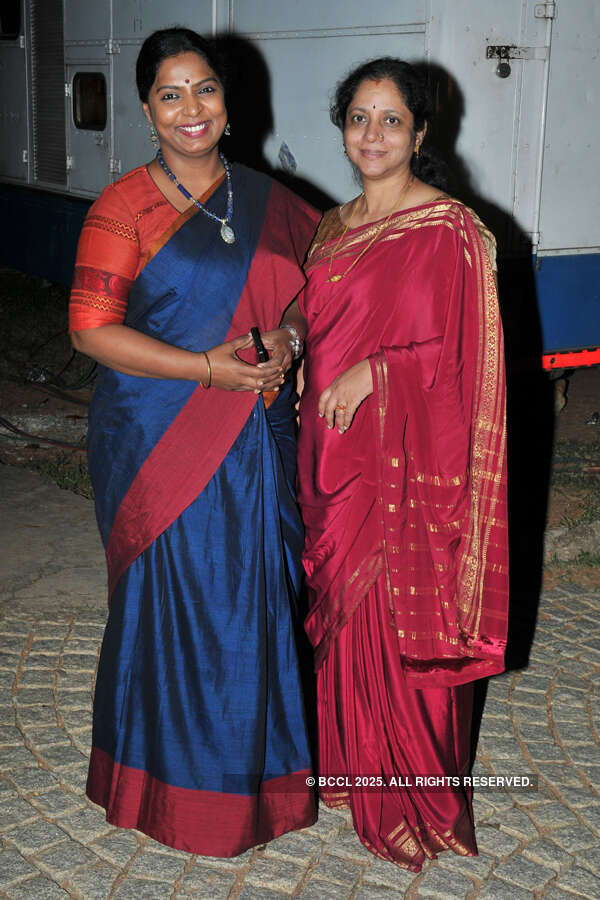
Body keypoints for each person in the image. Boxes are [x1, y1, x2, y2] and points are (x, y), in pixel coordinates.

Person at [69, 27, 320, 857]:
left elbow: (310, 289)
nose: (190, 108)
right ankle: (165, 790)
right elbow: (90, 330)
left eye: (203, 88)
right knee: (173, 606)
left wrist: (289, 338)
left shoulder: (271, 200)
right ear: (147, 111)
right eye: (169, 94)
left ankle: (260, 784)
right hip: (157, 438)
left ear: (226, 100)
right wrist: (207, 370)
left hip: (257, 431)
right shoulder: (123, 208)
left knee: (256, 600)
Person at [293, 58, 509, 870]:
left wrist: (376, 373)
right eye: (359, 117)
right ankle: (349, 769)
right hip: (328, 452)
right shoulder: (331, 225)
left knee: (401, 614)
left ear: (420, 134)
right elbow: (316, 319)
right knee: (341, 611)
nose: (373, 134)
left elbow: (464, 359)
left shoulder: (448, 228)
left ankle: (416, 795)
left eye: (391, 120)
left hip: (408, 461)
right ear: (343, 127)